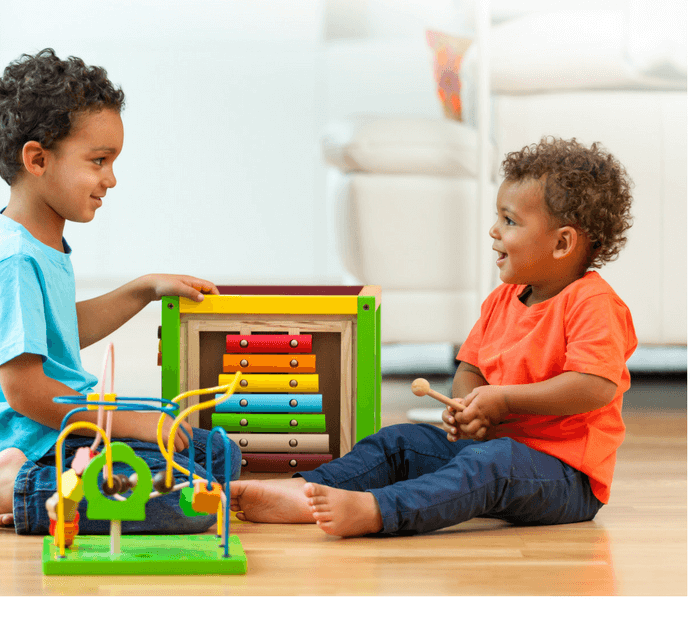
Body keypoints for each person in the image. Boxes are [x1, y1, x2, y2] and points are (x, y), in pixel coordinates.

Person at [230, 137, 636, 537]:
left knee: (490, 464)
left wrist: (504, 400)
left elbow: (593, 386)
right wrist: (467, 406)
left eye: (509, 221)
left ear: (562, 242)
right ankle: (306, 490)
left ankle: (377, 511)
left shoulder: (593, 303)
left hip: (564, 476)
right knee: (400, 441)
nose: (494, 231)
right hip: (493, 451)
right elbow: (470, 368)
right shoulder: (501, 300)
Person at [0, 49, 239, 534]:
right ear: (37, 160)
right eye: (98, 161)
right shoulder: (13, 258)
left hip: (63, 431)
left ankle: (35, 492)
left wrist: (143, 289)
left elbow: (58, 331)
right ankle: (17, 489)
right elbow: (26, 392)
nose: (110, 179)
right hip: (36, 441)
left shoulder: (37, 242)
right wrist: (125, 422)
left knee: (218, 457)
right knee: (192, 503)